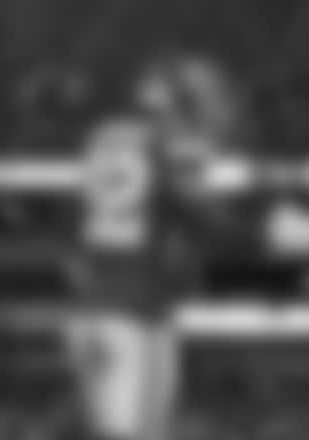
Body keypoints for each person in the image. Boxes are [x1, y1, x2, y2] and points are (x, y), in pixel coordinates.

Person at [68, 55, 239, 440]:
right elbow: (211, 221)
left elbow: (75, 231)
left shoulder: (106, 139)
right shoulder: (158, 152)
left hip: (102, 309)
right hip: (133, 317)